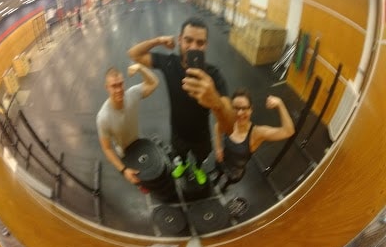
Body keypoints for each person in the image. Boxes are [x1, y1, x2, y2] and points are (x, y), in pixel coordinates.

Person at [127, 17, 234, 185]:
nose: (193, 47)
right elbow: (134, 54)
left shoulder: (213, 75)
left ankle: (197, 168)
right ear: (179, 40)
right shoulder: (169, 63)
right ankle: (183, 164)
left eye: (200, 43)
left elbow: (230, 127)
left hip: (201, 136)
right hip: (177, 131)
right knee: (180, 155)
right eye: (188, 40)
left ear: (206, 45)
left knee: (200, 157)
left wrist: (217, 102)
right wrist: (158, 40)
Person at [214, 89, 295, 191]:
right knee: (218, 173)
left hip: (235, 172)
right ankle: (216, 179)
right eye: (236, 108)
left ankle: (224, 187)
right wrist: (218, 147)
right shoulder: (229, 120)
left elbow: (288, 131)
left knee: (228, 182)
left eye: (244, 108)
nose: (240, 113)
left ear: (251, 109)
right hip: (221, 162)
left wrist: (280, 104)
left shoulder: (257, 133)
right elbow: (217, 126)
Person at [96, 63, 159, 185]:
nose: (119, 89)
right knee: (139, 181)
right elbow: (107, 148)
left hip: (139, 142)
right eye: (114, 86)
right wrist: (124, 170)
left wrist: (140, 68)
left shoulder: (132, 94)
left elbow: (154, 83)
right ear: (107, 87)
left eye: (120, 84)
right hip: (125, 153)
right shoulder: (103, 117)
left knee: (149, 174)